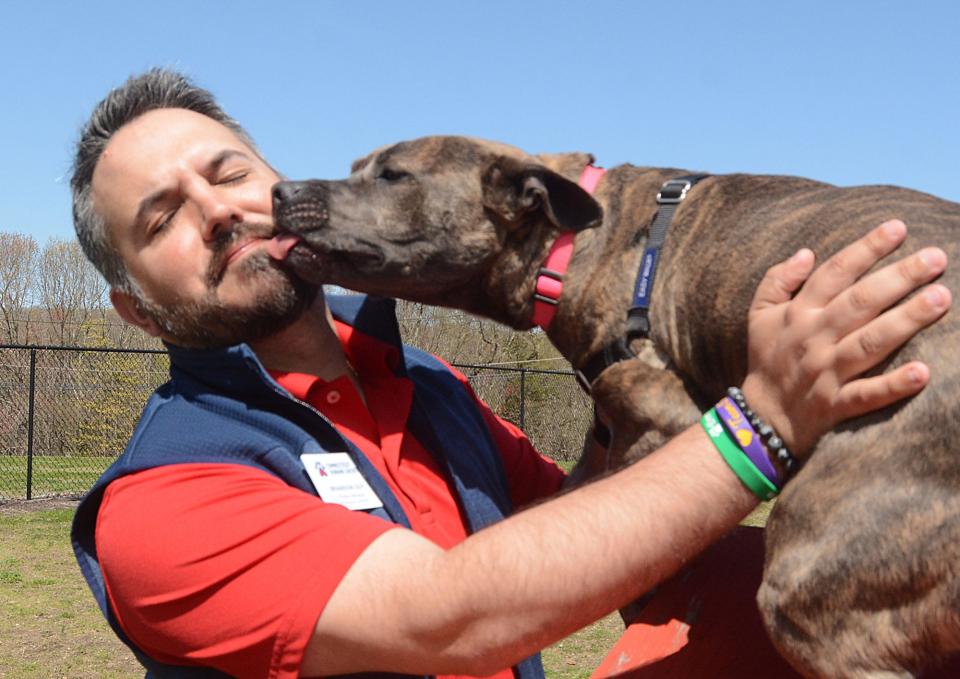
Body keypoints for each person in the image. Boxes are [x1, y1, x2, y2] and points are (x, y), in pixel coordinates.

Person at [69, 69, 951, 679]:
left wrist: (622, 356)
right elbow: (447, 615)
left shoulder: (429, 385)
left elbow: (581, 529)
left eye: (229, 173)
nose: (220, 211)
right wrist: (765, 418)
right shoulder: (164, 498)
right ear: (136, 309)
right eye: (162, 221)